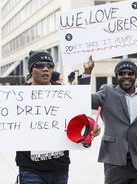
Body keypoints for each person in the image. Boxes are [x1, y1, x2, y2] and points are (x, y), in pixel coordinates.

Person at [15, 50, 100, 184]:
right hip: (30, 169)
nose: (45, 69)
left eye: (49, 66)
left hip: (59, 168)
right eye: (40, 65)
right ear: (31, 69)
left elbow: (80, 103)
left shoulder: (63, 92)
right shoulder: (17, 96)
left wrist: (90, 130)